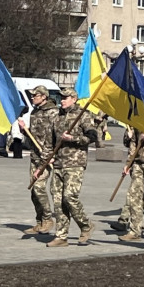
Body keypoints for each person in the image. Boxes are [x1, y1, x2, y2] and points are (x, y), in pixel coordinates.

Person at [46, 89, 95, 247]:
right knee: (58, 200)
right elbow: (51, 139)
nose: (62, 100)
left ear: (74, 99)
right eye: (61, 97)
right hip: (59, 163)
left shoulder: (83, 115)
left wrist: (73, 139)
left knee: (70, 197)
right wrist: (49, 156)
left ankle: (85, 225)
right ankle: (61, 235)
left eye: (66, 97)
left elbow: (92, 137)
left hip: (75, 163)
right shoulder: (57, 116)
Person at [22, 85, 58, 235]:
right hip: (35, 156)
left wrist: (52, 155)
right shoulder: (35, 112)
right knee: (34, 192)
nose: (32, 98)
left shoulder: (53, 112)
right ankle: (40, 221)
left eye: (35, 95)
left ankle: (48, 218)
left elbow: (56, 134)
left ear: (44, 97)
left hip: (48, 157)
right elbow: (34, 135)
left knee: (38, 187)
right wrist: (25, 130)